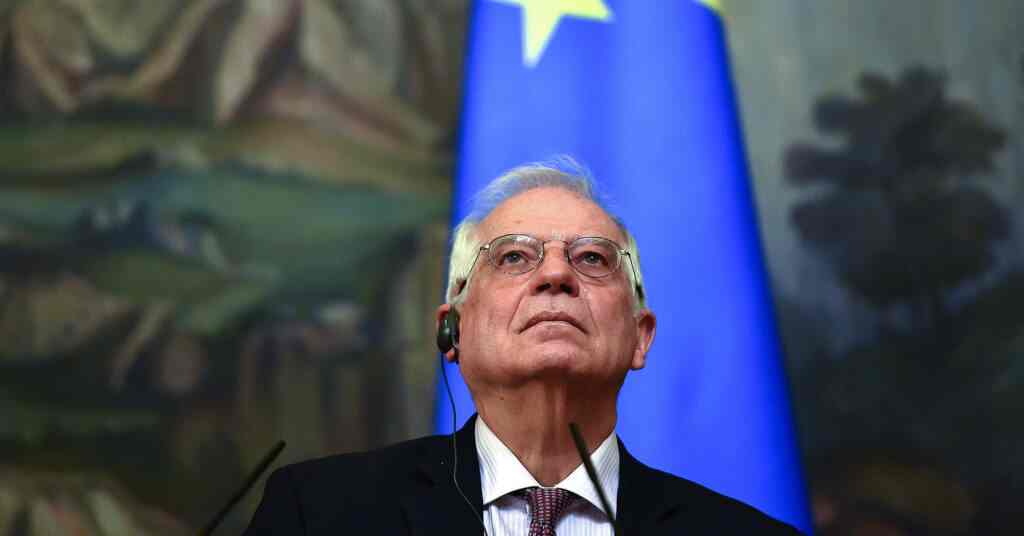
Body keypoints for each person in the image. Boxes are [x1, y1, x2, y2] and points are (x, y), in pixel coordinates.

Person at [243, 161, 801, 535]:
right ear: (453, 331)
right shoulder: (318, 514)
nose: (556, 275)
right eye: (513, 257)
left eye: (592, 258)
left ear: (640, 336)